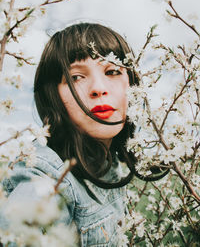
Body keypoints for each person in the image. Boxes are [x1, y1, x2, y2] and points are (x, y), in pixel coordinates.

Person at [1, 22, 167, 246]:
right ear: (54, 96)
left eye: (112, 71)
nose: (98, 88)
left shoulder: (110, 161)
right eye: (76, 77)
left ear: (134, 87)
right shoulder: (45, 180)